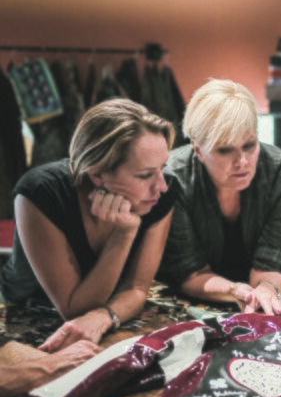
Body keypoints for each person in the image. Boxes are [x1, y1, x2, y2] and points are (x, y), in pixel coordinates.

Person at [0, 98, 178, 351]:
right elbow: (75, 309)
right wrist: (124, 233)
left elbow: (137, 288)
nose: (161, 185)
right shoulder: (40, 193)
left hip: (106, 311)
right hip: (24, 310)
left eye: (162, 167)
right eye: (145, 174)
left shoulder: (162, 191)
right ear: (96, 174)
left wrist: (106, 316)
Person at [158, 79, 281, 315]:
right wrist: (236, 290)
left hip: (271, 286)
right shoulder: (172, 177)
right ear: (198, 149)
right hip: (195, 293)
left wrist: (265, 290)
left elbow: (272, 264)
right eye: (225, 150)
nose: (242, 162)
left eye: (249, 145)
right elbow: (190, 272)